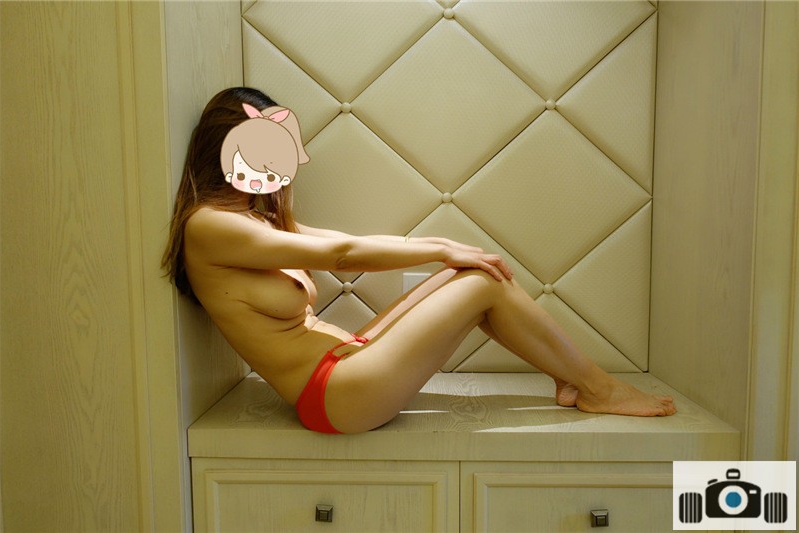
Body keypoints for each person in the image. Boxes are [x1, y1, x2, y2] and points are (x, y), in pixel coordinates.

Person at [162, 87, 676, 435]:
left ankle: (568, 378)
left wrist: (443, 251)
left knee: (469, 274)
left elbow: (347, 239)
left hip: (348, 364)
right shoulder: (209, 226)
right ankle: (599, 389)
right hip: (334, 396)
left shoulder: (254, 220)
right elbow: (342, 255)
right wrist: (439, 245)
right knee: (482, 284)